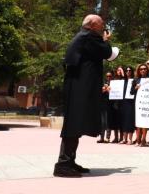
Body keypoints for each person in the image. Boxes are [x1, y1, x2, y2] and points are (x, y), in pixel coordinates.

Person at [53, 14, 118, 178]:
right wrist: (106, 40)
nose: (103, 26)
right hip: (79, 88)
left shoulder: (84, 36)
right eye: (101, 24)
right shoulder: (89, 37)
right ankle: (62, 165)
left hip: (77, 86)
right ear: (92, 25)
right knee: (73, 125)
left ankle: (69, 162)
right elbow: (108, 53)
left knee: (76, 124)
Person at [131, 63, 149, 147]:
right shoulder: (136, 80)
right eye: (141, 69)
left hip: (147, 103)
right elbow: (131, 92)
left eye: (144, 69)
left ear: (147, 70)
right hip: (138, 103)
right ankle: (138, 139)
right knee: (138, 121)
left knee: (144, 122)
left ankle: (143, 139)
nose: (143, 70)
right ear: (139, 70)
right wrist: (135, 88)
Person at [119, 66, 136, 144]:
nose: (128, 72)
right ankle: (124, 139)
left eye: (129, 70)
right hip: (123, 103)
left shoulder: (134, 80)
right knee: (123, 120)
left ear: (132, 72)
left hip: (131, 103)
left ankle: (130, 139)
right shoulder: (122, 81)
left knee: (130, 120)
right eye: (127, 70)